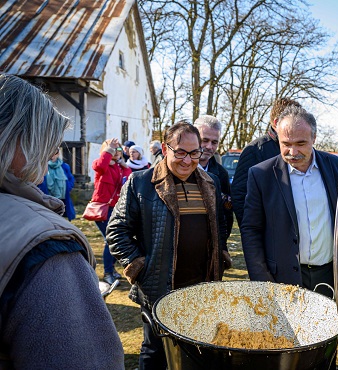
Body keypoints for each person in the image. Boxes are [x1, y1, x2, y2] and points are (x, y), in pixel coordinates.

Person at [0, 74, 123, 368]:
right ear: (16, 138)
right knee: (109, 243)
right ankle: (109, 272)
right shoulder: (46, 245)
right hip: (95, 209)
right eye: (46, 141)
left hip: (69, 205)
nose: (51, 153)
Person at [107, 121, 228, 369]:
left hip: (202, 287)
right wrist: (140, 266)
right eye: (181, 152)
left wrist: (221, 254)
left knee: (199, 349)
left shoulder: (211, 182)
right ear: (165, 148)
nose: (188, 160)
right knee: (155, 352)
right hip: (158, 287)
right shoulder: (140, 183)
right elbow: (116, 230)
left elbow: (221, 224)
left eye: (194, 153)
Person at [240, 105, 338, 298]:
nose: (292, 151)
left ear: (314, 137)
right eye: (285, 143)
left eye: (301, 143)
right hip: (283, 279)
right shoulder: (261, 174)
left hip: (330, 276)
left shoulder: (336, 166)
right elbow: (251, 229)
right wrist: (262, 280)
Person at [231, 97, 302, 225]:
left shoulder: (302, 150)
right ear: (276, 123)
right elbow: (240, 196)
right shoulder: (254, 150)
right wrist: (253, 235)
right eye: (292, 122)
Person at [91, 138, 132, 285]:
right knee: (110, 240)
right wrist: (109, 150)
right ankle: (108, 272)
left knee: (116, 239)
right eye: (113, 149)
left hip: (116, 208)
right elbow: (100, 166)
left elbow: (128, 180)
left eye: (118, 149)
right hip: (102, 208)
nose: (116, 152)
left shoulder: (119, 168)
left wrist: (124, 165)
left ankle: (112, 269)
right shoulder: (101, 164)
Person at [194, 115, 235, 254]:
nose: (209, 147)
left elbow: (227, 214)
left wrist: (220, 244)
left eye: (214, 142)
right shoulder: (179, 168)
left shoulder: (221, 174)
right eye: (204, 140)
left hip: (210, 249)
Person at [38, 148, 77, 220]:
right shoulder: (43, 166)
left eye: (55, 153)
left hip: (62, 197)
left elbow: (70, 178)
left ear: (58, 154)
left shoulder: (64, 166)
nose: (53, 156)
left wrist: (68, 187)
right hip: (48, 196)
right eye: (50, 153)